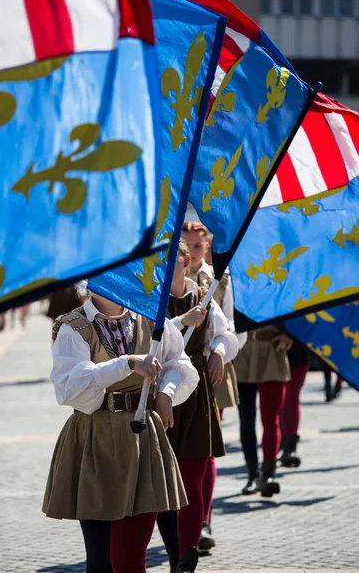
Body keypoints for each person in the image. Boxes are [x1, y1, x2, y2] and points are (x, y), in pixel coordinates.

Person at [42, 287, 200, 573]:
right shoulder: (74, 326)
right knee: (101, 559)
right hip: (94, 438)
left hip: (143, 439)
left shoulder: (151, 318)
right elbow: (70, 388)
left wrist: (166, 393)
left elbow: (178, 363)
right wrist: (127, 364)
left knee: (130, 553)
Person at [156, 240, 239, 573]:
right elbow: (152, 339)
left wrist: (218, 352)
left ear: (186, 261)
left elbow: (225, 333)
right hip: (159, 392)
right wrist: (181, 321)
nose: (162, 266)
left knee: (193, 474)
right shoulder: (150, 301)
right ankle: (175, 548)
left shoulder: (202, 294)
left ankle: (187, 554)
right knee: (160, 478)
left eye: (170, 259)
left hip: (196, 393)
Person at [233, 327, 293, 497]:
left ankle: (268, 474)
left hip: (273, 352)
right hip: (242, 353)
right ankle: (253, 474)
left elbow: (297, 307)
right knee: (247, 421)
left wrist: (291, 334)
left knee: (270, 419)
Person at [279, 343, 309, 467]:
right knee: (274, 403)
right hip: (270, 350)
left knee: (291, 398)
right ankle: (278, 442)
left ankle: (290, 446)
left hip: (297, 351)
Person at [182, 221, 213, 290]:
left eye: (197, 246)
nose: (191, 251)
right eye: (186, 246)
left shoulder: (222, 278)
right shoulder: (167, 276)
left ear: (206, 247)